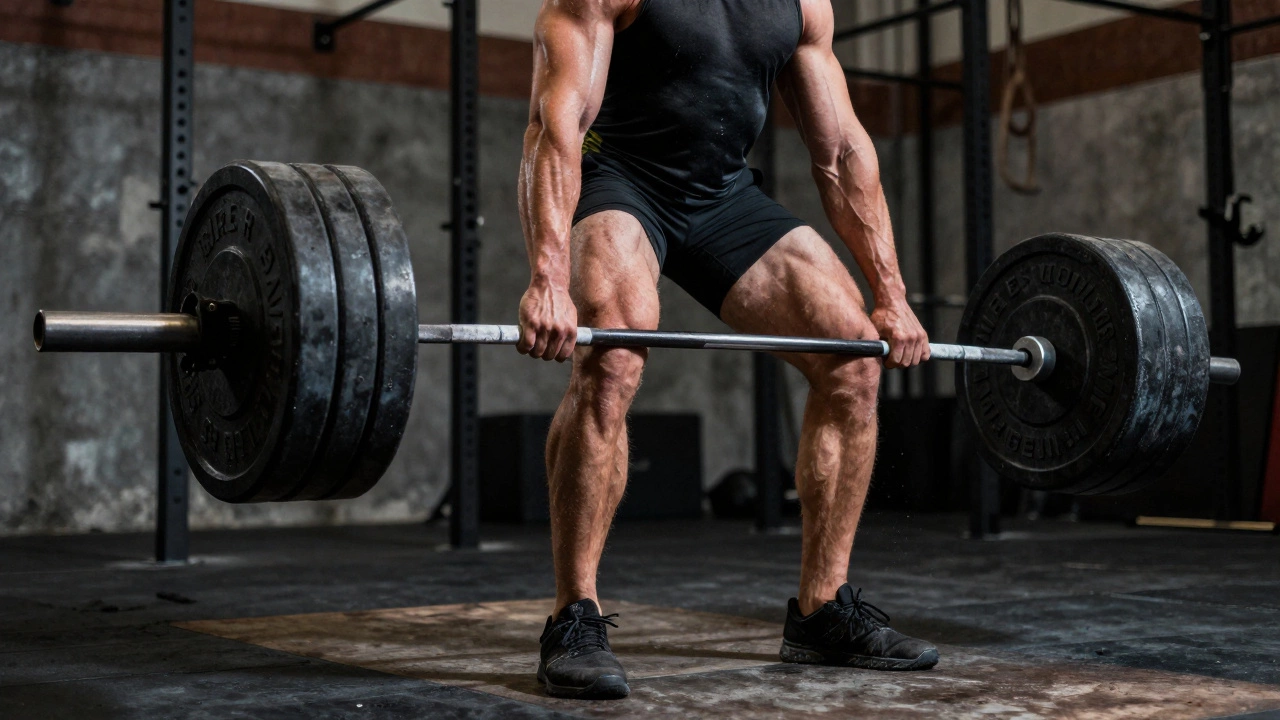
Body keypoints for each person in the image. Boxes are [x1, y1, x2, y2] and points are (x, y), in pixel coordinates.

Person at [516, 0, 938, 699]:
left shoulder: (802, 5)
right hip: (621, 176)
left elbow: (840, 152)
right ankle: (574, 614)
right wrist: (548, 278)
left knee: (854, 359)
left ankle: (821, 612)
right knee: (614, 354)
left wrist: (890, 293)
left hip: (722, 196)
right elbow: (557, 125)